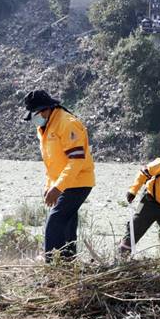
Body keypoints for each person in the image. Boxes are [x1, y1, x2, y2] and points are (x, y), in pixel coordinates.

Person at [23, 89, 95, 262]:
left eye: (35, 114)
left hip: (78, 181)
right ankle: (68, 261)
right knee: (68, 223)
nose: (34, 119)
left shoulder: (67, 123)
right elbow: (52, 163)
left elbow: (76, 161)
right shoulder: (45, 128)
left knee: (55, 220)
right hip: (64, 182)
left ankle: (50, 262)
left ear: (45, 109)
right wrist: (50, 185)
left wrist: (58, 187)